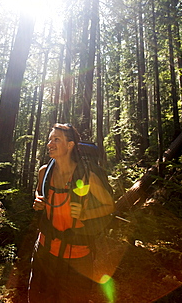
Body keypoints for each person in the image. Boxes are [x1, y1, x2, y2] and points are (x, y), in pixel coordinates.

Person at [28, 123, 115, 303]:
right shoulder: (44, 172)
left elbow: (109, 205)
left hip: (77, 256)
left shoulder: (86, 176)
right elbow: (39, 192)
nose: (50, 143)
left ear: (70, 145)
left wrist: (85, 215)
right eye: (50, 139)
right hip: (45, 249)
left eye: (56, 139)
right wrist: (38, 201)